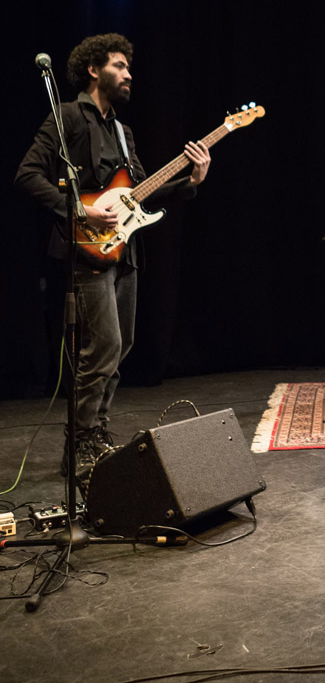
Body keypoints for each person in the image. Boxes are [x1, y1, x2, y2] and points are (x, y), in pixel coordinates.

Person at [15, 33, 211, 474]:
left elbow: (145, 191)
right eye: (119, 66)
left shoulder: (123, 134)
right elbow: (27, 175)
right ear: (93, 70)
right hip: (84, 251)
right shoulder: (65, 117)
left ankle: (96, 433)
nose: (128, 75)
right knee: (102, 346)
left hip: (124, 250)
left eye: (127, 68)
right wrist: (80, 209)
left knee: (120, 349)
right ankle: (80, 441)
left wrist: (192, 181)